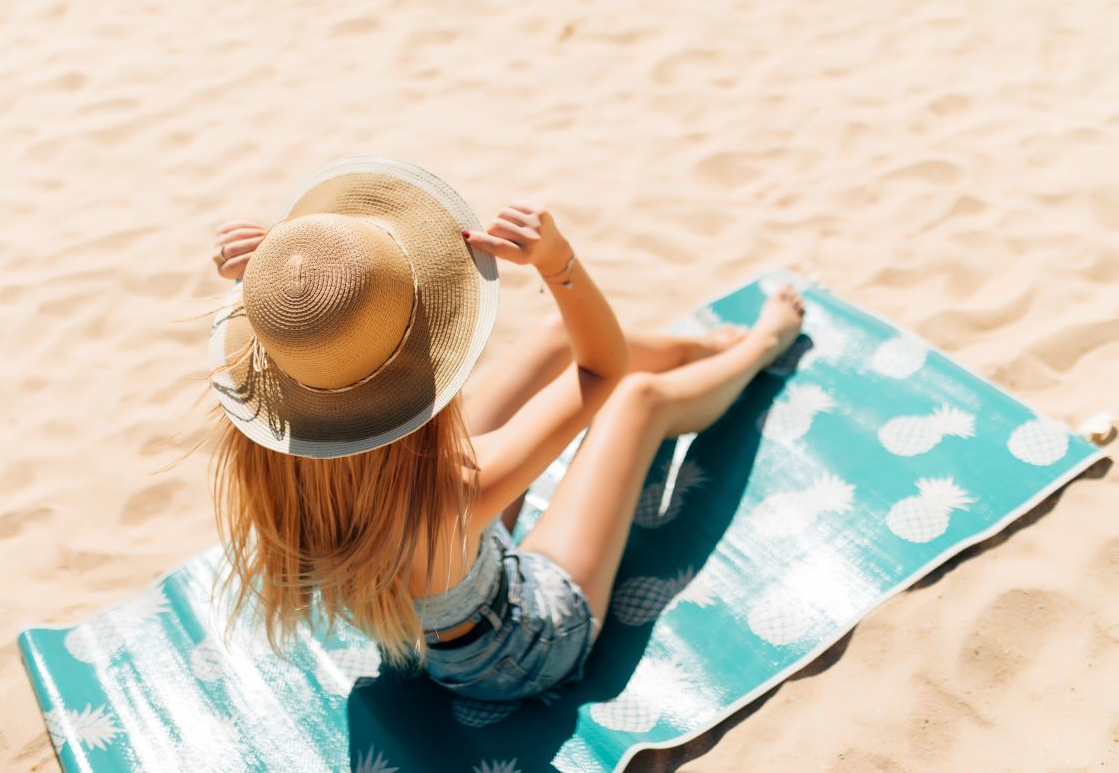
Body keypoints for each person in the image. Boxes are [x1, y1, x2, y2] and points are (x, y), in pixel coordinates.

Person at [203, 155, 804, 702]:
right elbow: (603, 368)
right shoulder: (460, 484)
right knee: (636, 402)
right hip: (525, 647)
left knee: (551, 340)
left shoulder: (277, 470)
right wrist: (559, 264)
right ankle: (759, 346)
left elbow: (302, 342)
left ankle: (696, 348)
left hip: (429, 603)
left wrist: (263, 283)